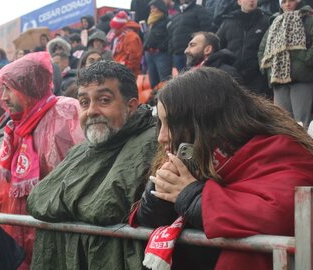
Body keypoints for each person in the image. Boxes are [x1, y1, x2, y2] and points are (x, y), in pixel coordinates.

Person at [130, 67, 313, 270]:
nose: (161, 137)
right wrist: (157, 196)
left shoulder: (278, 150)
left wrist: (190, 196)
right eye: (160, 124)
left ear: (207, 120)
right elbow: (147, 223)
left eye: (172, 123)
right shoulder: (191, 158)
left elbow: (278, 215)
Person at [26, 61, 159, 270]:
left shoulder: (152, 142)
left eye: (104, 100)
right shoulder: (80, 150)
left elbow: (106, 206)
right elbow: (37, 200)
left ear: (131, 106)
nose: (91, 111)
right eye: (84, 102)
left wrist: (65, 202)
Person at [0, 52, 85, 270]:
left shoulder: (65, 114)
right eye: (2, 89)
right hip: (20, 241)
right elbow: (5, 190)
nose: (3, 98)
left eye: (9, 89)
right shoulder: (13, 130)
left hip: (58, 240)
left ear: (28, 87)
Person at [258, 0, 313, 130]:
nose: (287, 4)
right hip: (278, 80)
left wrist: (305, 60)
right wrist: (267, 69)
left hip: (301, 79)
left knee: (301, 123)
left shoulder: (309, 18)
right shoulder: (275, 22)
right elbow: (262, 50)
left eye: (291, 1)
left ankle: (304, 150)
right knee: (282, 124)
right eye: (284, 2)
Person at [216, 0, 271, 97]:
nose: (251, 1)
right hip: (233, 76)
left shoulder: (266, 20)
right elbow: (217, 46)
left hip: (258, 77)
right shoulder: (228, 22)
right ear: (239, 2)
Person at [168, 0, 213, 72]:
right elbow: (171, 35)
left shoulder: (199, 9)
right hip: (178, 55)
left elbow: (207, 30)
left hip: (193, 54)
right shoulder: (176, 15)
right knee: (182, 80)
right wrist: (171, 52)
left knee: (195, 79)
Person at [143, 0, 172, 88]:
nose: (152, 10)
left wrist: (161, 47)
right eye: (151, 8)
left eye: (154, 7)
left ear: (161, 8)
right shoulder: (150, 22)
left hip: (161, 54)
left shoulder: (168, 21)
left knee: (165, 82)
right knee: (153, 82)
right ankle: (155, 100)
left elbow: (170, 37)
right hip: (149, 54)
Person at [110, 11, 143, 76]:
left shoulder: (130, 37)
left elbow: (134, 56)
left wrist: (127, 69)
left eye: (114, 28)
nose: (112, 31)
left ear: (119, 27)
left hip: (126, 72)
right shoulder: (121, 36)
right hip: (121, 70)